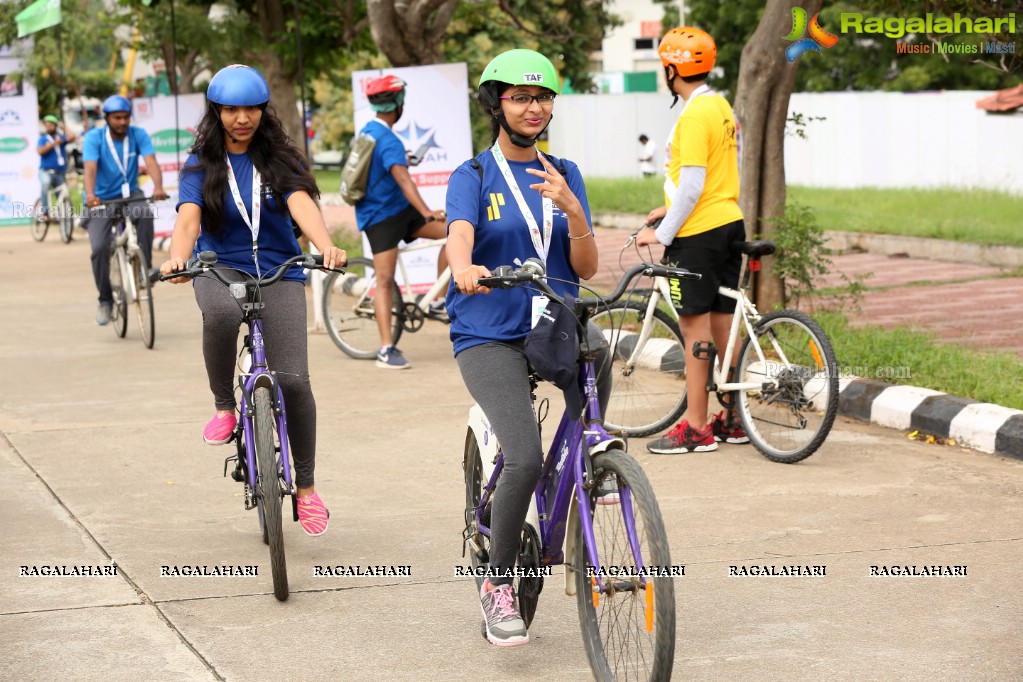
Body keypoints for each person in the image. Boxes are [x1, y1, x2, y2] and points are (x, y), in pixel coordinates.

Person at [446, 48, 611, 647]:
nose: (534, 107)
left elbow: (586, 265)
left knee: (600, 352)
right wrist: (464, 267)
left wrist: (573, 210)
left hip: (555, 323)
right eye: (520, 97)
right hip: (488, 330)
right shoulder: (476, 174)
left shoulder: (565, 171)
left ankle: (584, 475)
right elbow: (459, 236)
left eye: (542, 97)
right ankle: (498, 585)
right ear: (497, 105)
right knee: (522, 456)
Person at [158, 64, 346, 537]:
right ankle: (225, 406)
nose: (242, 118)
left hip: (281, 270)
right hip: (221, 267)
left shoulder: (283, 159)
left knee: (295, 381)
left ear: (264, 110)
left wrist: (324, 244)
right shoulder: (200, 164)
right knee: (220, 313)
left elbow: (303, 205)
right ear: (217, 111)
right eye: (231, 109)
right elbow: (187, 219)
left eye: (251, 109)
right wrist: (179, 259)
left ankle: (306, 489)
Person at [635, 27, 750, 454]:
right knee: (723, 323)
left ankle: (696, 427)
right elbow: (711, 179)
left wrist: (661, 233)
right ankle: (736, 419)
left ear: (672, 68)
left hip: (698, 233)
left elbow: (692, 185)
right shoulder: (719, 106)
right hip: (728, 222)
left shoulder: (693, 115)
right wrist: (668, 208)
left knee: (694, 328)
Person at [353, 74, 447, 369]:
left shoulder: (370, 131)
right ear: (398, 104)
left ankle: (437, 300)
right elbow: (403, 178)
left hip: (399, 210)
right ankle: (385, 349)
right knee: (384, 281)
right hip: (380, 217)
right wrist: (427, 210)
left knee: (454, 232)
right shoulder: (388, 140)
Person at [82, 95, 168, 326]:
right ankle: (105, 300)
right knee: (99, 247)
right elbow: (90, 168)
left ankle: (144, 270)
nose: (122, 122)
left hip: (131, 195)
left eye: (125, 117)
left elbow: (151, 162)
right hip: (99, 199)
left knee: (146, 214)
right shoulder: (94, 137)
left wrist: (158, 186)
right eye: (116, 118)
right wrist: (90, 194)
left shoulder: (138, 135)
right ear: (107, 118)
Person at [36, 114, 75, 221]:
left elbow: (72, 137)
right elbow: (40, 151)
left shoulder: (60, 137)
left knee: (61, 195)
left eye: (51, 125)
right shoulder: (43, 139)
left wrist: (64, 128)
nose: (48, 127)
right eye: (46, 125)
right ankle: (45, 211)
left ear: (55, 126)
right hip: (46, 171)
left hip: (59, 171)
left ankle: (61, 219)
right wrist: (53, 144)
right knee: (45, 184)